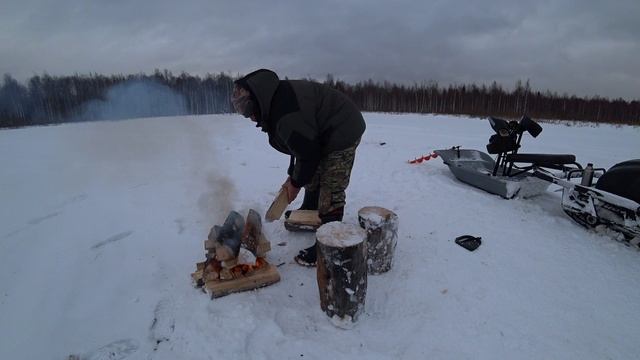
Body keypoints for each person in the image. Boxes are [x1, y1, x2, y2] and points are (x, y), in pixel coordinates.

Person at [231, 69, 366, 266]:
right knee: (311, 172)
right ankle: (310, 208)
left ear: (257, 102)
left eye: (249, 112)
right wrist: (292, 177)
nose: (250, 118)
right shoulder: (273, 100)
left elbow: (307, 153)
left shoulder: (285, 113)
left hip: (343, 129)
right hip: (323, 132)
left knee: (331, 186)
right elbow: (299, 147)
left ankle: (329, 246)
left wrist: (294, 183)